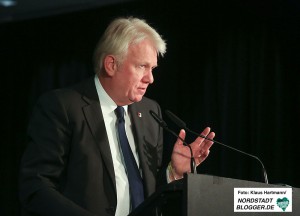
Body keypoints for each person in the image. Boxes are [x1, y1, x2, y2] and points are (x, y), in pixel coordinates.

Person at [19, 17, 215, 216]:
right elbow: (36, 187)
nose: (151, 78)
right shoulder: (63, 107)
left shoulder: (149, 112)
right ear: (111, 64)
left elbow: (148, 194)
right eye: (141, 66)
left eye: (152, 69)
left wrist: (173, 172)